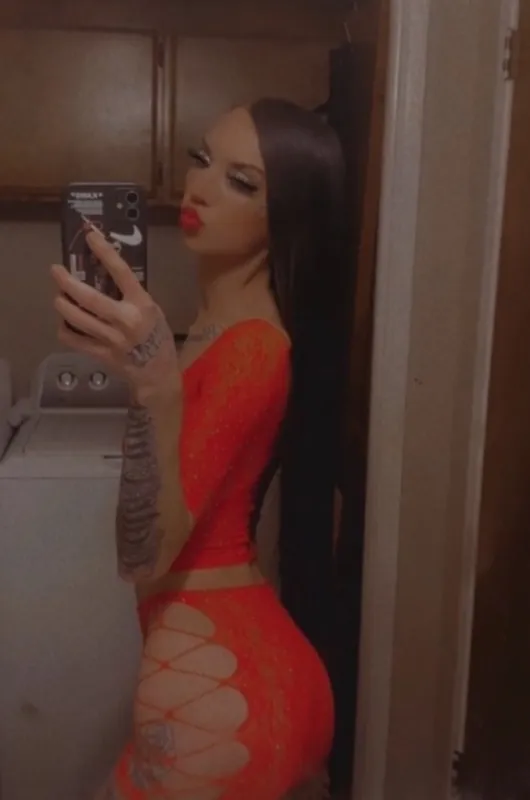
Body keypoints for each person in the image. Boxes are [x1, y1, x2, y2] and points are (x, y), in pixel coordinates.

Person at [50, 97, 346, 800]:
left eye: (241, 182)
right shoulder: (218, 330)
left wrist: (154, 385)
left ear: (286, 217)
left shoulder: (254, 351)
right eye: (202, 159)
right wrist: (150, 378)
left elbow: (144, 557)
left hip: (216, 678)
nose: (200, 188)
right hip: (224, 664)